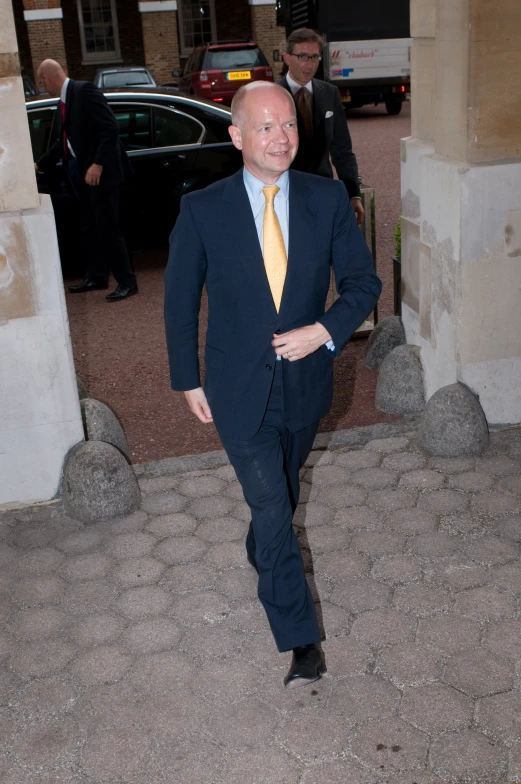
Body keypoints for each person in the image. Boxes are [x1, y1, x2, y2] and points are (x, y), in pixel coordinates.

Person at [164, 82, 381, 688]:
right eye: (265, 127)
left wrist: (326, 331)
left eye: (287, 125)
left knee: (279, 496)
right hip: (237, 389)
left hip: (307, 383)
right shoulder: (203, 210)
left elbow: (364, 284)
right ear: (237, 137)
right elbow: (180, 304)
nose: (281, 138)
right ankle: (301, 640)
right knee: (273, 508)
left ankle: (265, 541)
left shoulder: (327, 198)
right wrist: (187, 379)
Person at [35, 59, 137, 301]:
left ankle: (127, 282)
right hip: (82, 177)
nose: (42, 86)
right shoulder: (62, 103)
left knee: (109, 228)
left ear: (47, 78)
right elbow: (62, 144)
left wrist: (98, 164)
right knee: (90, 227)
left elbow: (110, 128)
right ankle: (97, 276)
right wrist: (39, 165)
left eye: (41, 81)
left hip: (102, 174)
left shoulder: (85, 91)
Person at [279, 28, 365, 225]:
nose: (309, 64)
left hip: (322, 192)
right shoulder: (271, 94)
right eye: (302, 56)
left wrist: (354, 194)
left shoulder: (330, 94)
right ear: (287, 58)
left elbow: (342, 149)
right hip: (284, 195)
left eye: (314, 57)